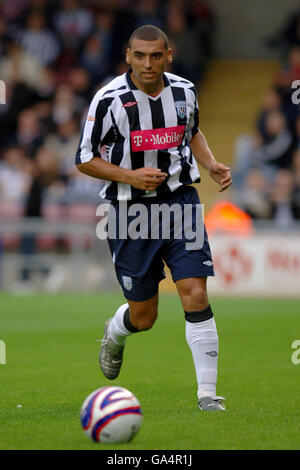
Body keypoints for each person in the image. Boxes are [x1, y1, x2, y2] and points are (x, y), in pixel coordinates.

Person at [76, 25, 231, 412]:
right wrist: (130, 176)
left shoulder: (184, 90)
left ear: (169, 54)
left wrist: (209, 163)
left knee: (195, 292)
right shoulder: (108, 99)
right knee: (144, 316)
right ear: (128, 55)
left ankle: (207, 395)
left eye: (156, 55)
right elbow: (83, 159)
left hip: (180, 204)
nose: (148, 64)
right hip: (129, 213)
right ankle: (116, 332)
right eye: (140, 56)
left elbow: (191, 131)